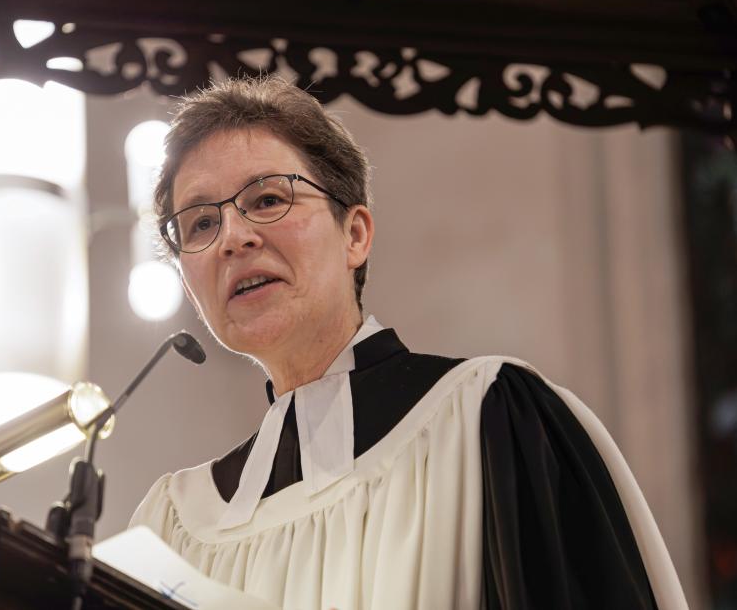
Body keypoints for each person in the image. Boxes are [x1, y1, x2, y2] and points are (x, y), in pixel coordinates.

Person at [129, 76, 687, 609]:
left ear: (354, 234)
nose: (233, 237)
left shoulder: (486, 415)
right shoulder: (172, 529)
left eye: (268, 199)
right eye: (200, 224)